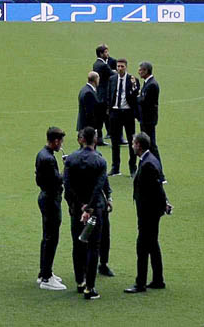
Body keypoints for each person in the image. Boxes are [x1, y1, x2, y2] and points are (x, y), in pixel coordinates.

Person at [64, 125, 112, 300]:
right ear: (96, 139)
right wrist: (90, 207)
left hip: (76, 209)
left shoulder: (71, 159)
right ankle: (90, 287)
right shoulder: (100, 161)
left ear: (82, 139)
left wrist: (78, 205)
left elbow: (67, 187)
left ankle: (80, 281)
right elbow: (99, 187)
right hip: (95, 210)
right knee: (94, 247)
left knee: (78, 245)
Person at [125, 132, 170, 294]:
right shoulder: (150, 159)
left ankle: (140, 283)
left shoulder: (147, 164)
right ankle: (158, 279)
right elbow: (158, 186)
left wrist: (163, 202)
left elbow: (155, 188)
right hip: (151, 212)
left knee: (142, 247)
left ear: (139, 145)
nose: (131, 145)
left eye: (133, 143)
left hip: (147, 213)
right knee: (152, 245)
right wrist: (165, 203)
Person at [35, 127, 67, 291]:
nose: (61, 145)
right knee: (51, 237)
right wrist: (66, 169)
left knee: (47, 236)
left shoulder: (42, 154)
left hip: (45, 197)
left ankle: (44, 272)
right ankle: (46, 277)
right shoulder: (49, 159)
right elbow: (57, 180)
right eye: (60, 141)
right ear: (55, 141)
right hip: (50, 199)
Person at [103, 57, 139, 175]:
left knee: (131, 140)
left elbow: (135, 96)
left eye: (122, 66)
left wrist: (134, 87)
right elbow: (109, 95)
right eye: (118, 66)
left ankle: (132, 167)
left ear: (126, 67)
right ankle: (115, 167)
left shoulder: (132, 79)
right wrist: (109, 110)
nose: (119, 68)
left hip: (128, 113)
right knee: (114, 141)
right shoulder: (112, 79)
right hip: (115, 113)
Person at [136, 62, 161, 158]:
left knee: (151, 144)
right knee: (147, 144)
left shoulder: (152, 85)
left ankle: (158, 168)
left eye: (140, 70)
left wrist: (137, 97)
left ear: (146, 71)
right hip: (146, 118)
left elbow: (144, 101)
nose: (139, 72)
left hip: (148, 119)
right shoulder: (148, 83)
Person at [78, 71, 106, 137]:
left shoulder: (84, 89)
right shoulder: (89, 93)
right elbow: (90, 112)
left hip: (84, 125)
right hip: (88, 127)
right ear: (96, 79)